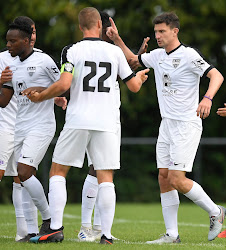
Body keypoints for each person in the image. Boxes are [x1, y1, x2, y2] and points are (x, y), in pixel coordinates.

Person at [23, 7, 149, 244]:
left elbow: (64, 84)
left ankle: (56, 229)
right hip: (106, 122)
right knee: (106, 177)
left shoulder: (72, 50)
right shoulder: (114, 52)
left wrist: (41, 96)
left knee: (58, 172)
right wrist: (140, 78)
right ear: (100, 26)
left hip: (78, 118)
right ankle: (107, 236)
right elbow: (133, 87)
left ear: (80, 27)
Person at [106, 12, 226, 243]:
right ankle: (172, 234)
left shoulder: (189, 55)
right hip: (167, 125)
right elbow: (132, 60)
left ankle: (215, 211)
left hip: (186, 125)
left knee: (177, 179)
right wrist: (117, 40)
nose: (158, 35)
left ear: (175, 31)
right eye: (156, 31)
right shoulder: (158, 55)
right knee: (163, 177)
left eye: (162, 31)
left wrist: (207, 98)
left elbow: (217, 76)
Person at [78, 11, 149, 242]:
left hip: (95, 117)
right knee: (97, 171)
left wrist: (137, 56)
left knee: (102, 171)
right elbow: (132, 78)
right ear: (102, 26)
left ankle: (96, 228)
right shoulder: (109, 51)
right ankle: (86, 227)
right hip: (102, 118)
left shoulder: (99, 51)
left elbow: (129, 65)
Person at [0, 18, 65, 242]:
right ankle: (30, 231)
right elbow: (3, 101)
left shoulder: (44, 60)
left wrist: (49, 93)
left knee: (25, 171)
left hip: (42, 125)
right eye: (7, 41)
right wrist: (1, 82)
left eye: (12, 41)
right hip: (20, 126)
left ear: (26, 41)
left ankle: (50, 221)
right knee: (22, 177)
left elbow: (65, 85)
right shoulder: (11, 65)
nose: (8, 45)